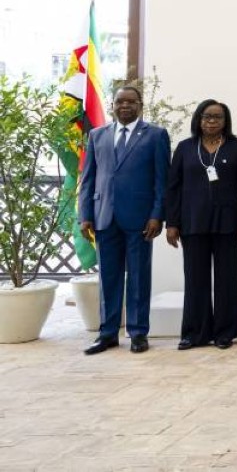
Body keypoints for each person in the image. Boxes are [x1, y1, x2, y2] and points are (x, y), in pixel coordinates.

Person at [78, 86, 171, 355]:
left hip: (140, 219)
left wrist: (157, 215)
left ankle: (138, 333)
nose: (125, 106)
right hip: (104, 217)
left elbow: (162, 181)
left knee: (139, 277)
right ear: (113, 105)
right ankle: (107, 334)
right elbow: (88, 179)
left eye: (131, 101)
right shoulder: (97, 135)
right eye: (120, 101)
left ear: (140, 105)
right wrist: (85, 215)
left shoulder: (155, 135)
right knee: (108, 278)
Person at [164, 99, 237, 350]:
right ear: (198, 120)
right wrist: (172, 223)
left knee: (227, 278)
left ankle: (225, 332)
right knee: (195, 279)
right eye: (206, 116)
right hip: (193, 222)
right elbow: (173, 188)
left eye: (217, 117)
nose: (212, 121)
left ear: (226, 121)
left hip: (228, 222)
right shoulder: (185, 148)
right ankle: (195, 333)